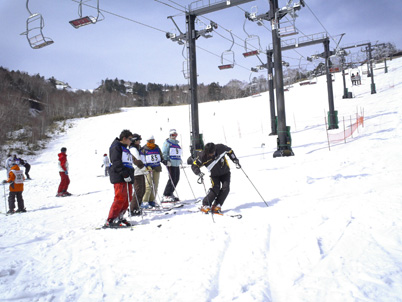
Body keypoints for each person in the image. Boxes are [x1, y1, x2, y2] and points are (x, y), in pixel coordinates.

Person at [191, 142, 241, 214]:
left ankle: (217, 204)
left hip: (225, 172)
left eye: (213, 152)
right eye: (210, 154)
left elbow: (230, 151)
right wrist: (198, 173)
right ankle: (205, 204)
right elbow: (194, 165)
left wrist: (235, 159)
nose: (212, 154)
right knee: (216, 188)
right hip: (214, 175)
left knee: (226, 188)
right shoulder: (202, 156)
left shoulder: (221, 147)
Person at [106, 130, 136, 227]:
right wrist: (125, 174)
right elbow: (116, 163)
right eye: (130, 139)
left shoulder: (125, 148)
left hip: (127, 176)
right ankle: (111, 219)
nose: (131, 141)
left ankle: (120, 216)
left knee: (128, 197)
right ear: (124, 138)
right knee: (120, 198)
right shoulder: (116, 147)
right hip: (120, 176)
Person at [140, 135, 163, 208]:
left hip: (157, 167)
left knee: (155, 185)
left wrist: (164, 161)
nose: (152, 142)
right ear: (147, 141)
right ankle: (144, 201)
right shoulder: (144, 149)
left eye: (153, 141)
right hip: (148, 169)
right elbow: (142, 159)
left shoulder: (157, 147)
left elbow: (161, 156)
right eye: (150, 141)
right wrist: (146, 166)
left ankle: (152, 200)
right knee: (148, 185)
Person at [161, 129, 182, 202]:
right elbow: (164, 152)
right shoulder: (167, 143)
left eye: (175, 135)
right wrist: (166, 160)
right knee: (172, 179)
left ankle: (170, 193)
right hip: (171, 163)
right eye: (173, 135)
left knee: (177, 178)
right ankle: (166, 194)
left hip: (176, 163)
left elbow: (178, 153)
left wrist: (180, 160)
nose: (174, 137)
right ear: (170, 135)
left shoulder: (177, 144)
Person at [129, 133, 147, 215]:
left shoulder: (137, 148)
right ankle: (133, 209)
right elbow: (137, 160)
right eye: (138, 140)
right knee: (138, 190)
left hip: (140, 171)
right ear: (135, 141)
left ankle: (137, 207)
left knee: (143, 190)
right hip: (136, 172)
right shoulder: (133, 149)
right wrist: (143, 168)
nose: (140, 142)